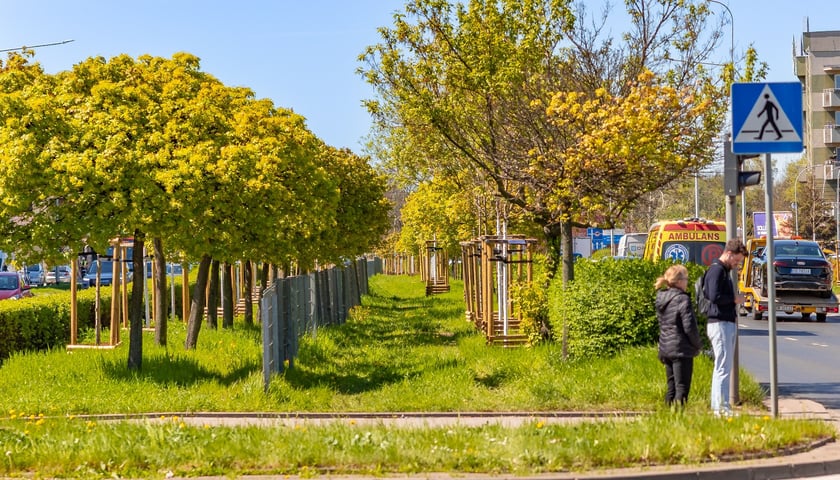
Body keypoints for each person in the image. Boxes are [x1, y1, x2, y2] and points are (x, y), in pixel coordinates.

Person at [703, 238, 748, 416]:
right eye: (736, 261)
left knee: (723, 366)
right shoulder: (717, 271)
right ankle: (720, 408)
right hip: (720, 322)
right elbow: (714, 296)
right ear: (728, 254)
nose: (736, 265)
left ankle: (720, 407)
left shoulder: (721, 271)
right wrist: (734, 299)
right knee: (722, 367)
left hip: (723, 322)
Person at [655, 264, 702, 407]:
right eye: (686, 279)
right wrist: (698, 344)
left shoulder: (661, 297)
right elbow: (689, 327)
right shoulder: (682, 299)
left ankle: (667, 416)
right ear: (680, 281)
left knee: (671, 387)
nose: (687, 282)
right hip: (681, 349)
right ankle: (678, 418)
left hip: (666, 347)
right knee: (682, 387)